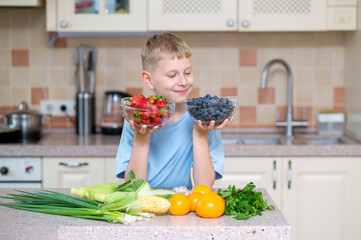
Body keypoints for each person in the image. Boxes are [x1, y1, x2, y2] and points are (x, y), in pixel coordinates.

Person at [116, 32, 233, 189]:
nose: (184, 82)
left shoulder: (203, 117)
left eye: (187, 72)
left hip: (185, 207)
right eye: (172, 75)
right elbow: (133, 186)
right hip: (147, 209)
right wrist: (141, 136)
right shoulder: (137, 118)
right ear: (149, 80)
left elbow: (203, 186)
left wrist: (200, 133)